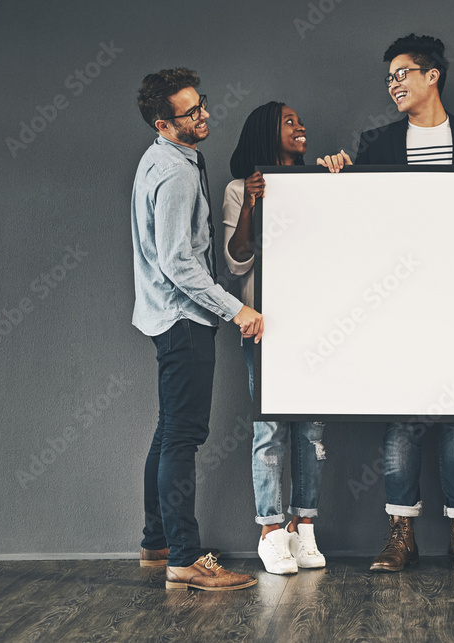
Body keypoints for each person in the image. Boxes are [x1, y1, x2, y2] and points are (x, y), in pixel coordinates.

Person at [318, 33, 454, 572]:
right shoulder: (376, 141)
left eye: (403, 73)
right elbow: (364, 219)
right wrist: (336, 177)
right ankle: (400, 533)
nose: (394, 83)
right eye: (389, 77)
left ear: (432, 76)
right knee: (400, 417)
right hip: (395, 304)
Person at [132, 67, 263, 591]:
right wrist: (236, 309)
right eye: (191, 112)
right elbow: (177, 262)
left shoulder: (164, 157)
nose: (204, 114)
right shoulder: (177, 172)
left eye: (201, 103)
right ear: (165, 124)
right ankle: (185, 559)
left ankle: (156, 542)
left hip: (168, 317)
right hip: (183, 319)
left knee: (169, 432)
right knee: (183, 437)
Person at [223, 102, 327, 575]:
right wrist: (250, 201)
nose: (300, 126)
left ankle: (303, 526)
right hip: (265, 327)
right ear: (267, 132)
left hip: (316, 325)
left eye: (299, 120)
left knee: (312, 428)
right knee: (270, 427)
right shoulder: (237, 189)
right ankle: (270, 528)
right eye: (289, 121)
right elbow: (237, 261)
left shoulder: (316, 185)